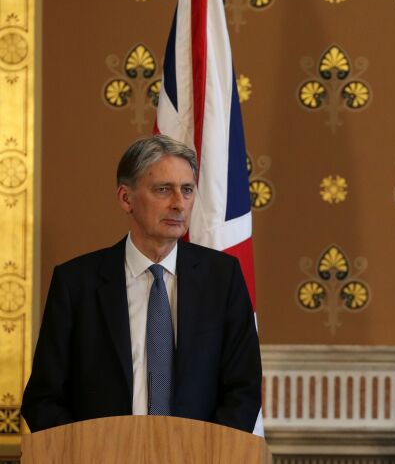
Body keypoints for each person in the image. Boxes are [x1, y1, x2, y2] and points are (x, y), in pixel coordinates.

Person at [22, 135, 261, 433]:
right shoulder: (76, 283)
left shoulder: (222, 278)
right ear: (126, 198)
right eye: (163, 190)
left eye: (187, 190)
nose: (179, 204)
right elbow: (43, 399)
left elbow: (243, 390)